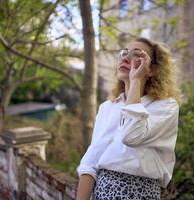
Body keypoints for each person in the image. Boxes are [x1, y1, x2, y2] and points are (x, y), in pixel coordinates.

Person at [76, 37, 180, 200]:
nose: (125, 58)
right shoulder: (107, 107)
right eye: (123, 53)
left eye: (136, 55)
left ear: (151, 69)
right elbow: (91, 161)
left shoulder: (165, 107)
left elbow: (132, 136)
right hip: (101, 194)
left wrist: (136, 81)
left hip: (141, 194)